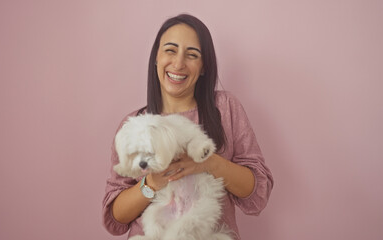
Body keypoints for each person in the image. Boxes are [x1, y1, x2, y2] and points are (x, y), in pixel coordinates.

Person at [102, 13, 274, 240]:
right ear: (156, 57)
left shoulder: (224, 108)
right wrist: (152, 183)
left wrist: (209, 163)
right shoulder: (134, 125)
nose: (178, 63)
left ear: (203, 67)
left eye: (192, 55)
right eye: (170, 50)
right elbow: (116, 217)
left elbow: (258, 191)